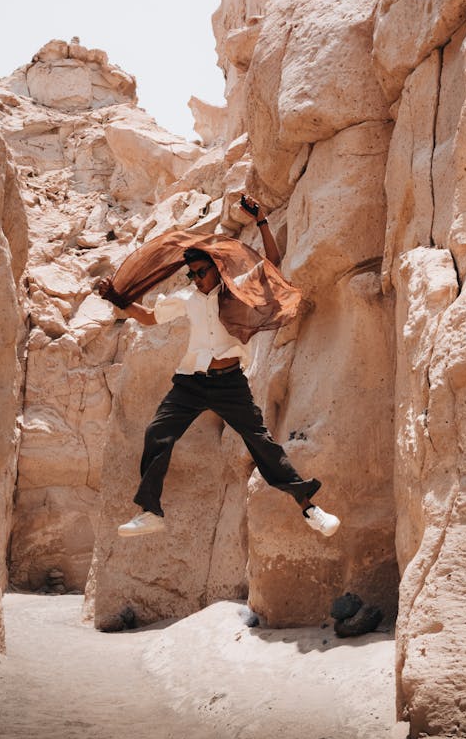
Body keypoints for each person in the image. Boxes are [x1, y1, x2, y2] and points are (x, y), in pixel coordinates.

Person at [95, 195, 340, 538]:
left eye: (201, 272)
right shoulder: (186, 299)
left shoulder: (239, 291)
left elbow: (273, 261)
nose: (196, 279)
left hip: (229, 384)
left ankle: (309, 508)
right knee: (157, 434)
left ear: (216, 267)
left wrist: (262, 220)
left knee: (261, 442)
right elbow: (150, 318)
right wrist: (117, 299)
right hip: (189, 384)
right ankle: (150, 511)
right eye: (192, 274)